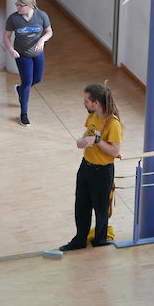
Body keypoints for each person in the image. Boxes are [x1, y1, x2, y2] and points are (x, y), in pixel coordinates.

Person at [60, 83, 122, 251]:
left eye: (86, 100)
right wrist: (82, 140)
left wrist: (97, 141)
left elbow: (115, 151)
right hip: (86, 167)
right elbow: (88, 132)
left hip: (102, 172)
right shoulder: (93, 116)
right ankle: (80, 239)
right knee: (81, 205)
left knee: (100, 208)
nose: (84, 103)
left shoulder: (113, 124)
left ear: (96, 103)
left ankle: (100, 239)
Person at [3, 0, 53, 127]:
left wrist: (42, 40)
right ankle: (23, 113)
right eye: (17, 5)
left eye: (21, 5)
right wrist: (11, 50)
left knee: (38, 79)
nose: (17, 8)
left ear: (30, 6)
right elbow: (6, 36)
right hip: (21, 54)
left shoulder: (41, 16)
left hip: (37, 53)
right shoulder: (14, 19)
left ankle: (20, 90)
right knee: (27, 81)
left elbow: (49, 31)